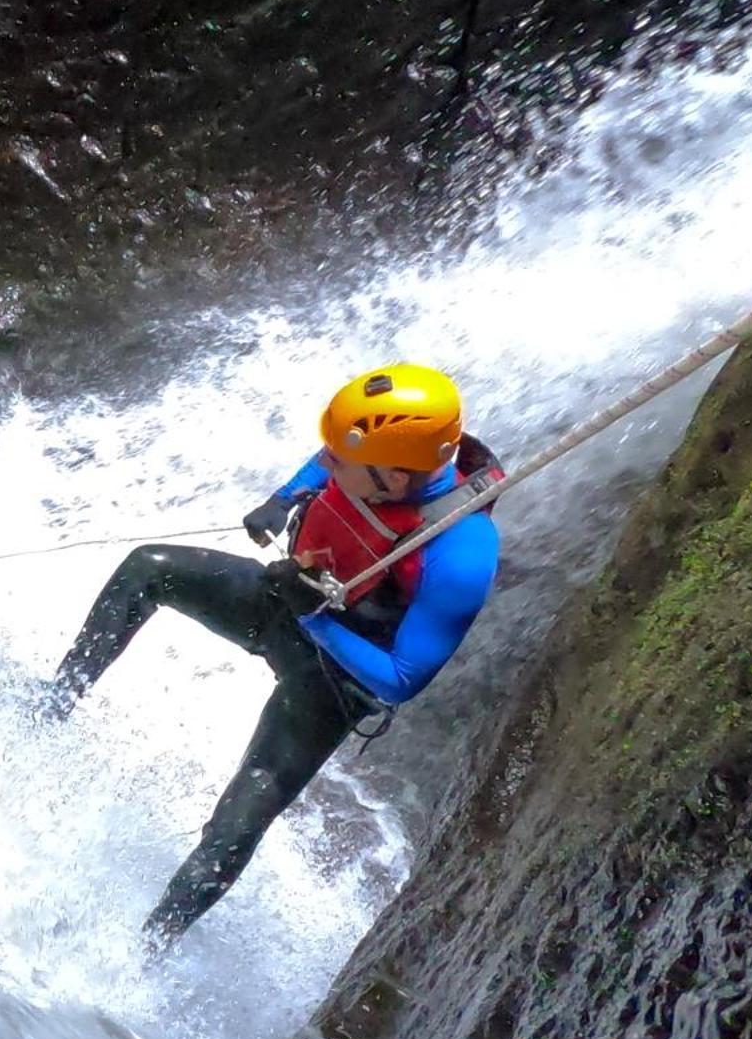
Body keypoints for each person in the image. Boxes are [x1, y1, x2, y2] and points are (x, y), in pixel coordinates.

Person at [43, 364, 502, 945]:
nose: (326, 464)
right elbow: (329, 456)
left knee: (236, 825)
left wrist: (313, 617)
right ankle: (48, 712)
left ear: (394, 475)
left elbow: (402, 680)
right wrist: (282, 498)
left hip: (331, 681)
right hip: (285, 601)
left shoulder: (463, 551)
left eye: (340, 461)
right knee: (147, 569)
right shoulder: (383, 459)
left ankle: (143, 952)